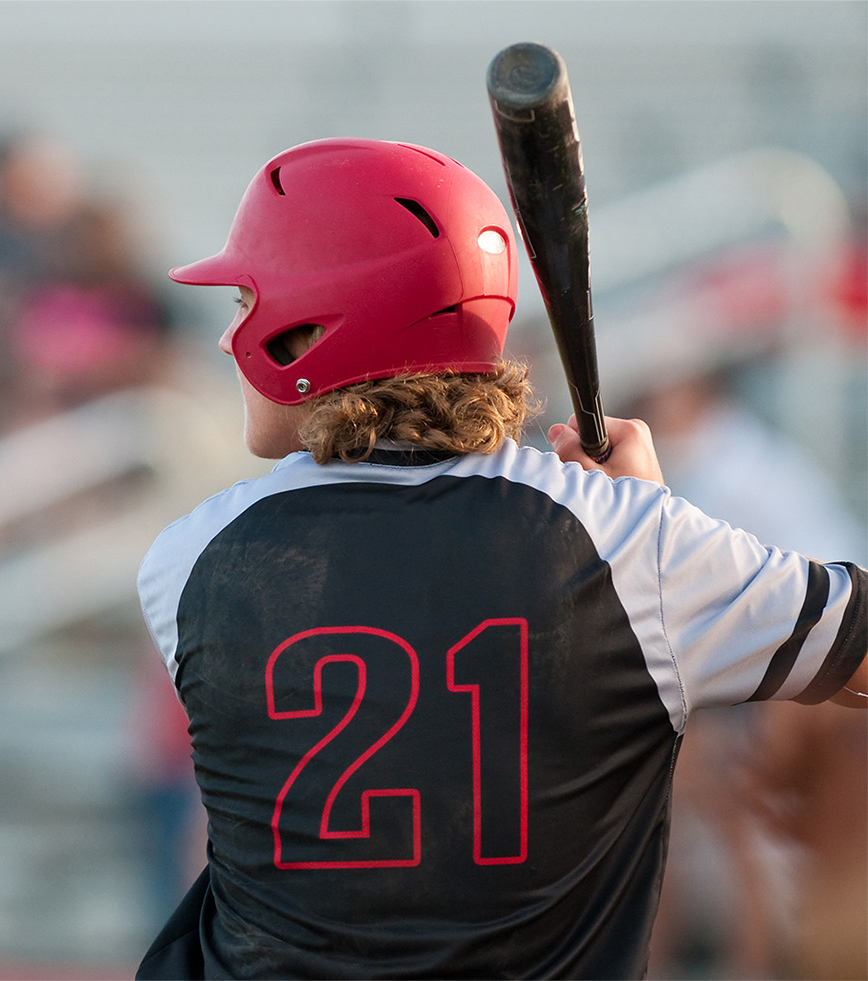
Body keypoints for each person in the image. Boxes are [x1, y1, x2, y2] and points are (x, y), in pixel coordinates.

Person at [134, 138, 866, 979]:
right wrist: (659, 533)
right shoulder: (623, 539)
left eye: (245, 302)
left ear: (314, 325)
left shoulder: (188, 560)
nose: (230, 340)